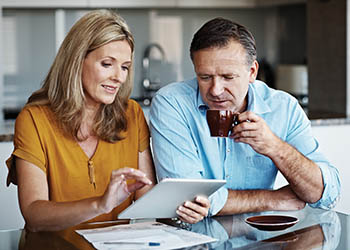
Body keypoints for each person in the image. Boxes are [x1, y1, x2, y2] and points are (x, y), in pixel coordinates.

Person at [149, 17, 341, 219]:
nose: (215, 90)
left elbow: (325, 194)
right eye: (205, 77)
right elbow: (184, 199)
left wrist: (275, 147)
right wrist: (269, 199)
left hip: (258, 235)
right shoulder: (172, 103)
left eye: (228, 77)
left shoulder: (284, 108)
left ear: (252, 72)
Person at [5, 9, 157, 232]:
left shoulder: (131, 114)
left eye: (124, 67)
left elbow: (147, 199)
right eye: (107, 64)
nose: (119, 77)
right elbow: (34, 214)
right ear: (77, 61)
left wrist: (182, 208)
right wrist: (100, 204)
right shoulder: (34, 120)